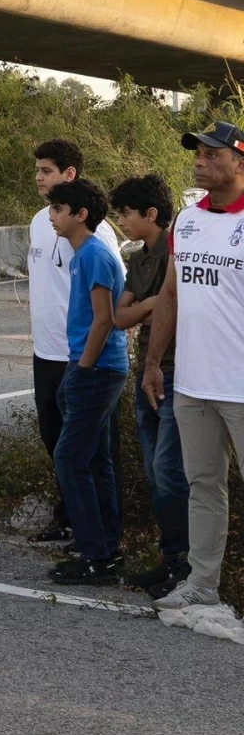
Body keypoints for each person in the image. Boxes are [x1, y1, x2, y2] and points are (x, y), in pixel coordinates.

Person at [145, 122, 244, 610]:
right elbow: (170, 294)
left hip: (242, 387)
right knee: (203, 487)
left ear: (240, 163)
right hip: (194, 382)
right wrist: (153, 364)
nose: (199, 162)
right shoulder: (186, 221)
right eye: (197, 154)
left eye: (211, 154)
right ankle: (203, 586)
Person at [27, 139, 122, 545]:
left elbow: (111, 301)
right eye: (37, 171)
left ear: (70, 174)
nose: (38, 178)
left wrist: (85, 360)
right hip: (46, 350)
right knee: (56, 441)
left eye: (46, 171)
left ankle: (100, 536)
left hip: (84, 357)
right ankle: (69, 519)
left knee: (90, 450)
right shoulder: (40, 221)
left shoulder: (96, 237)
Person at [44, 178, 128, 584]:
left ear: (81, 215)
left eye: (59, 209)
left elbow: (104, 319)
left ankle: (95, 554)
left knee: (70, 458)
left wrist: (81, 368)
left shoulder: (94, 253)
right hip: (93, 367)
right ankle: (107, 550)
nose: (51, 216)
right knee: (95, 459)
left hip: (97, 369)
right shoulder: (81, 255)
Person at [111, 174, 189, 597]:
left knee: (170, 472)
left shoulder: (175, 251)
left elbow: (174, 303)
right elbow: (120, 318)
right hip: (148, 374)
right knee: (156, 474)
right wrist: (151, 304)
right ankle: (172, 559)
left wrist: (150, 305)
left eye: (126, 213)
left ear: (151, 214)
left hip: (179, 372)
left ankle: (189, 565)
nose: (122, 220)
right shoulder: (137, 261)